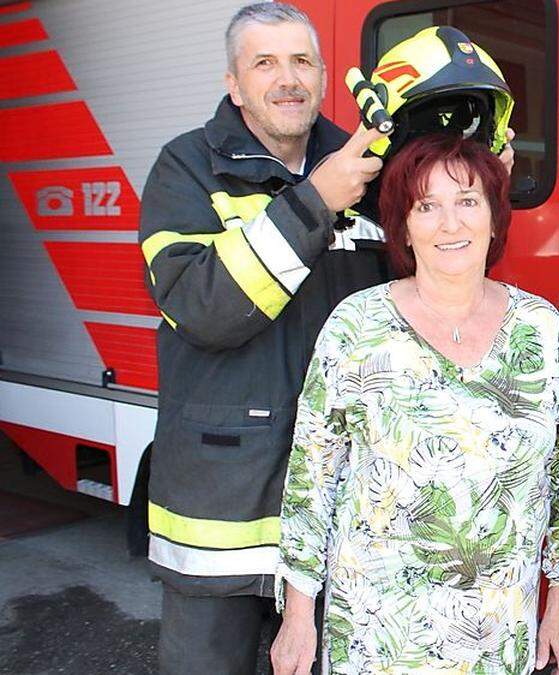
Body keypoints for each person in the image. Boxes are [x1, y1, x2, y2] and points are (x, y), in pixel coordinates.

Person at [268, 130, 559, 675]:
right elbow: (311, 479)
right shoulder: (355, 327)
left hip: (497, 636)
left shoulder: (541, 329)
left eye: (467, 202)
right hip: (377, 637)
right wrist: (298, 615)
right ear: (404, 227)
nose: (450, 223)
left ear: (493, 217)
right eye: (427, 206)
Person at [137, 3, 389, 672]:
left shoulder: (367, 167)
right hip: (220, 510)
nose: (288, 79)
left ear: (324, 74)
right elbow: (201, 307)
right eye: (265, 63)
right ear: (234, 83)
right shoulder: (184, 169)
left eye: (302, 61)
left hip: (338, 501)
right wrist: (316, 200)